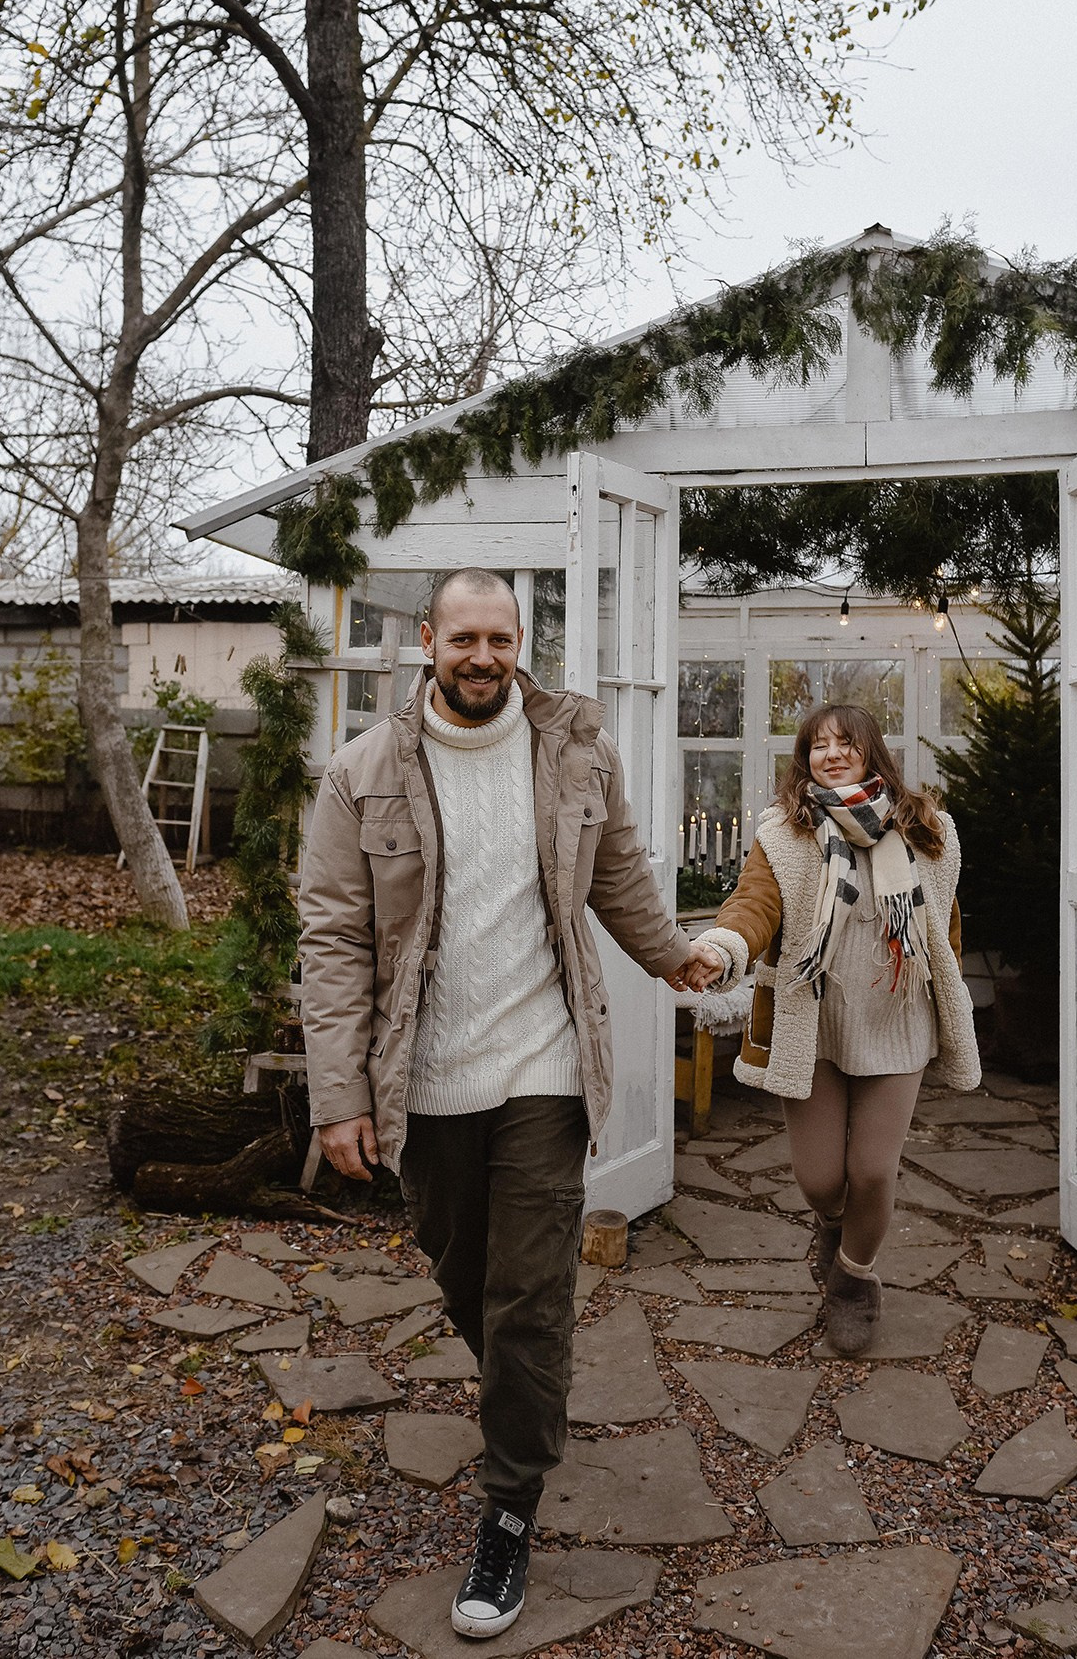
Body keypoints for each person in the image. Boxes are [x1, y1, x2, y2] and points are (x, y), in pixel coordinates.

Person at [298, 567, 717, 1639]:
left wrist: (670, 956)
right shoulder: (359, 773)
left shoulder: (574, 746)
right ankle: (527, 1398)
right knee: (465, 1276)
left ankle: (510, 1505)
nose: (483, 656)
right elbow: (335, 938)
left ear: (520, 642)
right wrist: (337, 1093)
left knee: (528, 1293)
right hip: (424, 1079)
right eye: (463, 637)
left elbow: (615, 870)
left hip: (543, 1061)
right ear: (427, 641)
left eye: (501, 638)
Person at [691, 704, 980, 1356]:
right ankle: (831, 1226)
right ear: (805, 759)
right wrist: (721, 947)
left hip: (897, 1021)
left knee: (873, 1170)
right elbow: (753, 907)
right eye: (817, 745)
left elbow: (944, 924)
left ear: (870, 751)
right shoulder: (784, 834)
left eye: (845, 742)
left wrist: (949, 994)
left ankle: (854, 1280)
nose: (831, 752)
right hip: (811, 1023)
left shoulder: (927, 830)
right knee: (822, 1179)